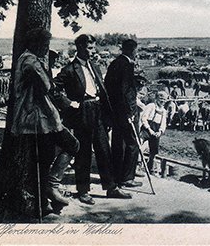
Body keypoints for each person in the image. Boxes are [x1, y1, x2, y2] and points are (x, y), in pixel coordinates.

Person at [50, 34, 131, 206]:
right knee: (83, 153)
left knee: (104, 150)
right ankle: (83, 191)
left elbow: (103, 92)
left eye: (94, 47)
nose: (93, 51)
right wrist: (69, 104)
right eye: (89, 47)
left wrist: (108, 115)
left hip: (98, 111)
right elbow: (52, 88)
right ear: (79, 47)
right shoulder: (70, 70)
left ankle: (111, 187)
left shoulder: (95, 66)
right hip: (82, 112)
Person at [10, 28, 80, 217]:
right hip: (35, 118)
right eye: (45, 45)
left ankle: (50, 188)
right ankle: (44, 199)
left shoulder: (33, 59)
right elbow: (47, 85)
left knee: (59, 151)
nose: (46, 49)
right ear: (37, 44)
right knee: (47, 158)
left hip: (44, 117)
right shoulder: (30, 60)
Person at [105, 39, 143, 188]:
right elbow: (125, 90)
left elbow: (108, 87)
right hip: (126, 112)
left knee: (117, 143)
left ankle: (116, 175)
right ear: (132, 50)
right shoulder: (127, 65)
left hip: (115, 111)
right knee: (133, 143)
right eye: (136, 50)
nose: (136, 53)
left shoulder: (114, 64)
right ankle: (127, 178)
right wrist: (130, 112)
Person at [139, 91, 169, 173]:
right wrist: (149, 129)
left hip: (156, 131)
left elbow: (163, 123)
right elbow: (144, 118)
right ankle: (136, 166)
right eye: (161, 99)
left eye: (164, 100)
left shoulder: (164, 111)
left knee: (154, 151)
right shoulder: (151, 106)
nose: (162, 101)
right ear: (156, 98)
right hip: (147, 129)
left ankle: (150, 168)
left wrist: (160, 132)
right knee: (139, 146)